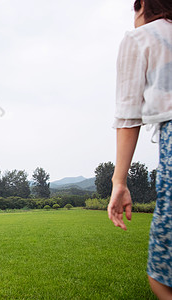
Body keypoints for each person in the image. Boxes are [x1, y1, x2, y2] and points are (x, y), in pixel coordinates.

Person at [108, 0, 172, 298]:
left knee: (161, 272)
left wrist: (119, 182)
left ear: (143, 5)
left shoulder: (141, 37)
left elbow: (128, 116)